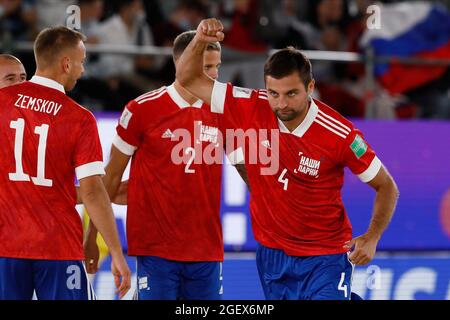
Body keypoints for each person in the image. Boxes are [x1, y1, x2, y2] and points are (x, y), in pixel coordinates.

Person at [176, 18, 400, 300]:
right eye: (274, 94)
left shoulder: (339, 134)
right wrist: (199, 38)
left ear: (310, 87)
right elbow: (186, 79)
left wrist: (373, 236)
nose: (281, 104)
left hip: (324, 257)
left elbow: (387, 186)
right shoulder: (250, 105)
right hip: (272, 256)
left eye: (291, 93)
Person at [86, 30, 246, 300]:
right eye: (207, 66)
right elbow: (110, 178)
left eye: (217, 66)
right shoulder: (142, 110)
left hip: (206, 251)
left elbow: (249, 172)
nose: (215, 74)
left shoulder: (224, 112)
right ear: (181, 63)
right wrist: (92, 237)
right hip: (155, 250)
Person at [0, 26, 131, 300]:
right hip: (57, 246)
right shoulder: (79, 118)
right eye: (82, 62)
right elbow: (93, 191)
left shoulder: (3, 102)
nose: (83, 70)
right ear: (66, 63)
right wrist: (116, 252)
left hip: (6, 247)